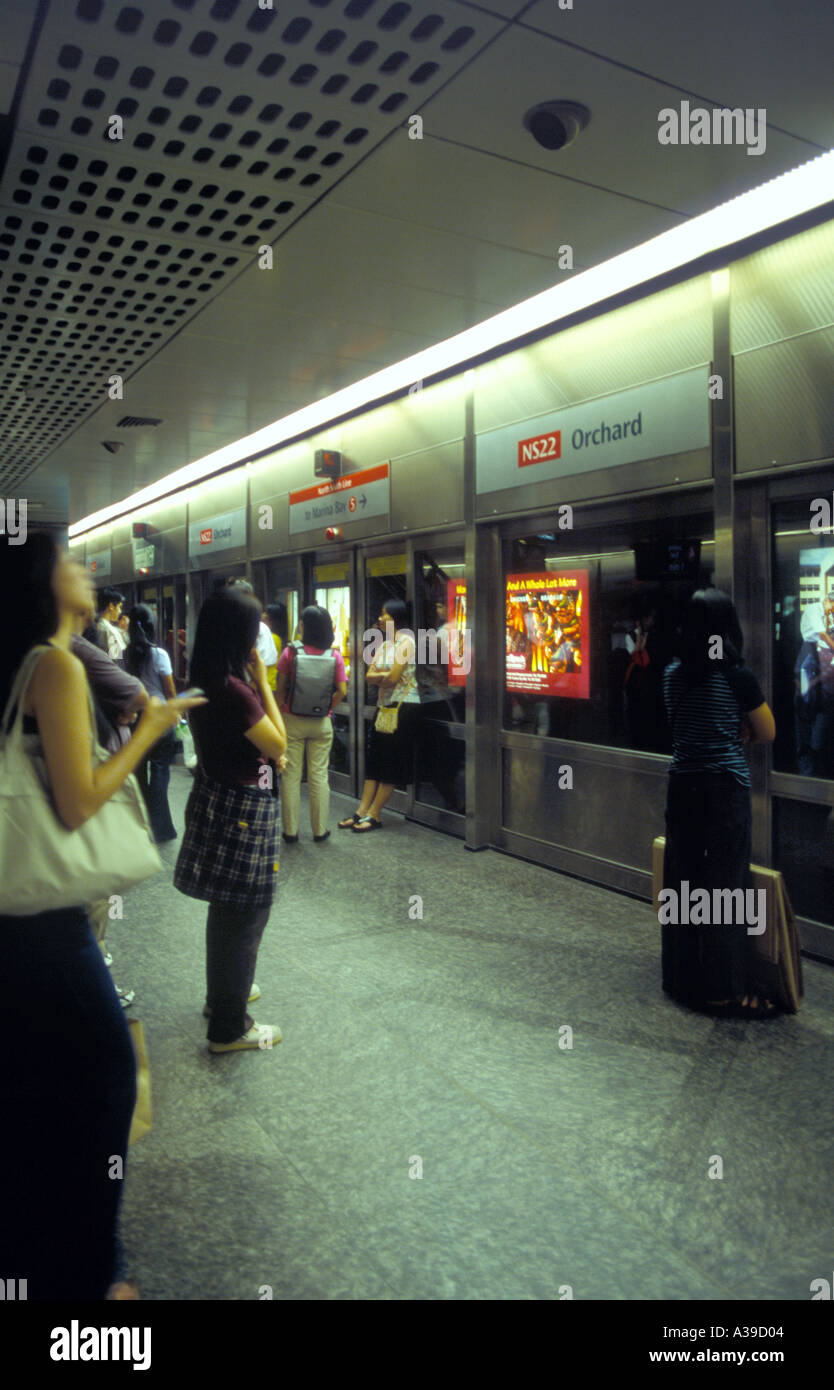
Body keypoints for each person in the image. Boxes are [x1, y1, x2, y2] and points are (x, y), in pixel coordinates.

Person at [0, 533, 205, 1300]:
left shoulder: (37, 661)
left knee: (36, 1083)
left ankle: (43, 1256)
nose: (85, 569)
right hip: (44, 918)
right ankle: (93, 1273)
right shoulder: (53, 663)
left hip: (20, 918)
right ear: (39, 579)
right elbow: (78, 799)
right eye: (69, 559)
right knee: (110, 1074)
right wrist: (151, 732)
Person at [174, 586, 289, 1053]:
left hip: (218, 796)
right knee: (246, 915)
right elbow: (279, 744)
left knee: (226, 910)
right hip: (245, 807)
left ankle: (223, 997)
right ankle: (230, 1025)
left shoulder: (204, 676)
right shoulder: (238, 690)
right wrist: (262, 681)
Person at [661, 589, 776, 1018]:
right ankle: (722, 991)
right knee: (726, 888)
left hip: (682, 785)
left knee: (684, 882)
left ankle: (680, 978)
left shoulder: (672, 672)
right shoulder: (736, 676)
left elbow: (684, 724)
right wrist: (738, 726)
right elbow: (767, 732)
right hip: (724, 789)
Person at [339, 599, 420, 832]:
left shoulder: (408, 642)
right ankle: (361, 811)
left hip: (404, 707)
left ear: (396, 617)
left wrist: (381, 674)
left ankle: (375, 814)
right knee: (374, 760)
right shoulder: (385, 644)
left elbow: (393, 678)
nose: (381, 618)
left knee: (391, 762)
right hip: (383, 706)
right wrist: (383, 673)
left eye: (386, 615)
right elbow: (368, 676)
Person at [275, 604, 347, 843]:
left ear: (304, 626)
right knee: (318, 776)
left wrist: (280, 712)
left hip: (292, 719)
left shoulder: (290, 653)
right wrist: (327, 708)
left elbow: (280, 688)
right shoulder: (334, 655)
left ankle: (290, 831)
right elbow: (342, 691)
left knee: (291, 776)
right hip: (321, 723)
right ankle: (319, 830)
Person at [124, 604, 179, 844]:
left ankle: (141, 823)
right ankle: (162, 829)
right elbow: (169, 689)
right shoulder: (159, 654)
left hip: (136, 719)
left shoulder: (127, 653)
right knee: (160, 771)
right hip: (159, 721)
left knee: (139, 771)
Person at [96, 587, 127, 662]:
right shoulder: (110, 631)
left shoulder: (97, 626)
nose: (120, 611)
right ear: (111, 606)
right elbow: (117, 660)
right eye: (119, 607)